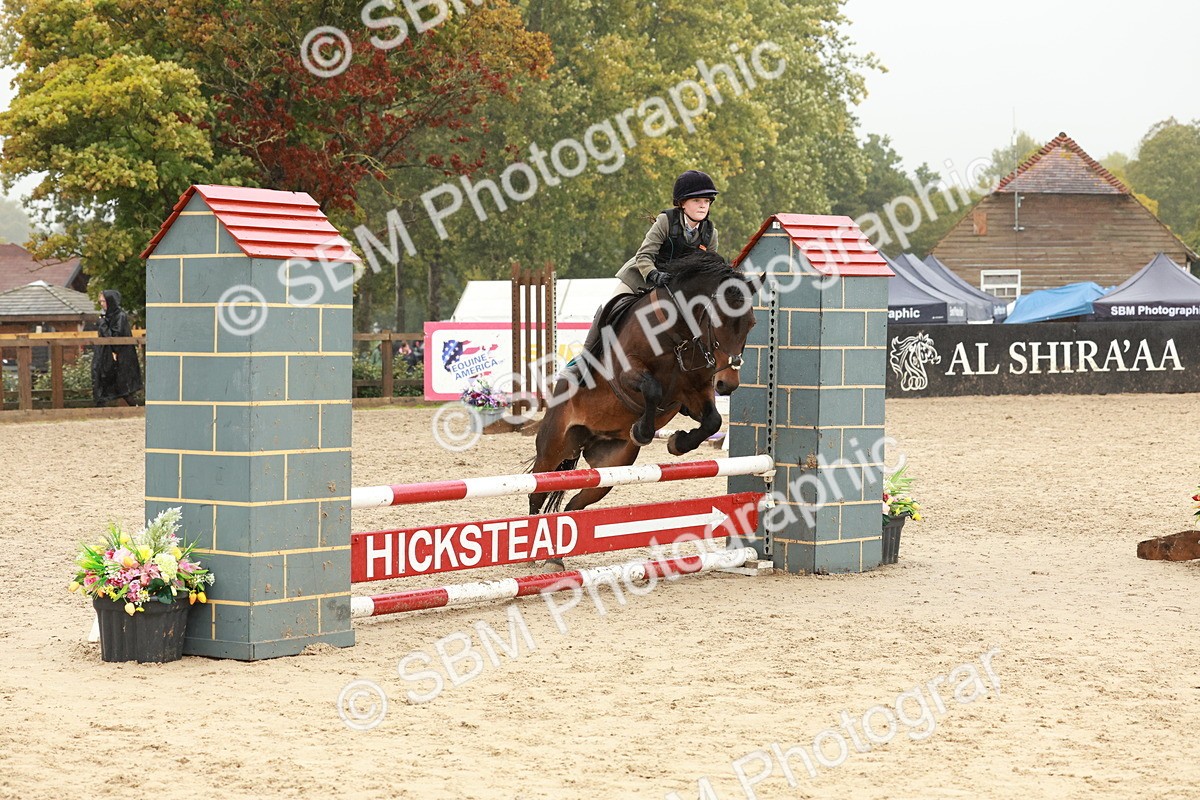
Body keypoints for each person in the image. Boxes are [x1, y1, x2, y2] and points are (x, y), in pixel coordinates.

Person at [564, 169, 721, 381]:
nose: (703, 205)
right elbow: (644, 255)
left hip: (676, 289)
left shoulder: (710, 234)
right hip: (641, 277)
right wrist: (654, 275)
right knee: (609, 310)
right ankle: (583, 362)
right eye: (697, 200)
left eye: (707, 201)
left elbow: (707, 272)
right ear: (682, 203)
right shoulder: (666, 221)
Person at [91, 289, 143, 406]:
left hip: (119, 357)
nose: (102, 304)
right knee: (102, 384)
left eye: (104, 301)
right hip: (107, 356)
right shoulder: (107, 317)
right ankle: (99, 410)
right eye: (100, 301)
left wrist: (102, 323)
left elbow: (114, 338)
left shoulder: (119, 317)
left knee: (122, 387)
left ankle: (135, 408)